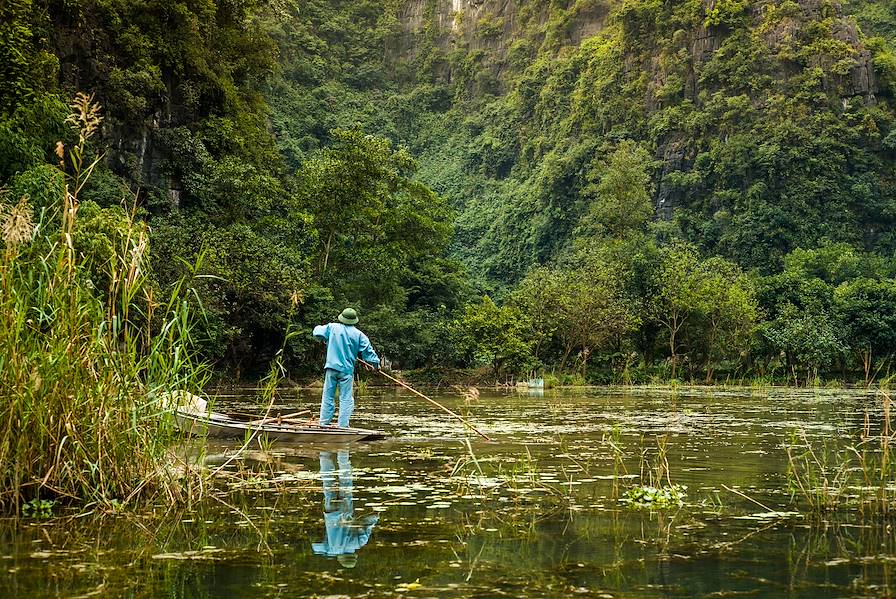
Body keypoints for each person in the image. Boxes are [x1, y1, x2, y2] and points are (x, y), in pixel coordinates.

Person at [312, 307, 380, 428]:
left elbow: (316, 331)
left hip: (331, 368)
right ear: (354, 320)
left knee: (328, 396)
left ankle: (324, 423)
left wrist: (326, 338)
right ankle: (343, 426)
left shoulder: (332, 327)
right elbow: (369, 353)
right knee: (346, 398)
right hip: (346, 371)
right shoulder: (359, 335)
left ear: (342, 318)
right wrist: (376, 365)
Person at [311, 449, 378, 568]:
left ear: (354, 556)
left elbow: (368, 524)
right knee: (327, 483)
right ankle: (324, 454)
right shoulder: (331, 550)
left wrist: (376, 517)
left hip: (345, 510)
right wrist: (328, 553)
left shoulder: (358, 544)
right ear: (341, 558)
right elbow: (315, 546)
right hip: (330, 513)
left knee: (345, 480)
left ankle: (343, 452)